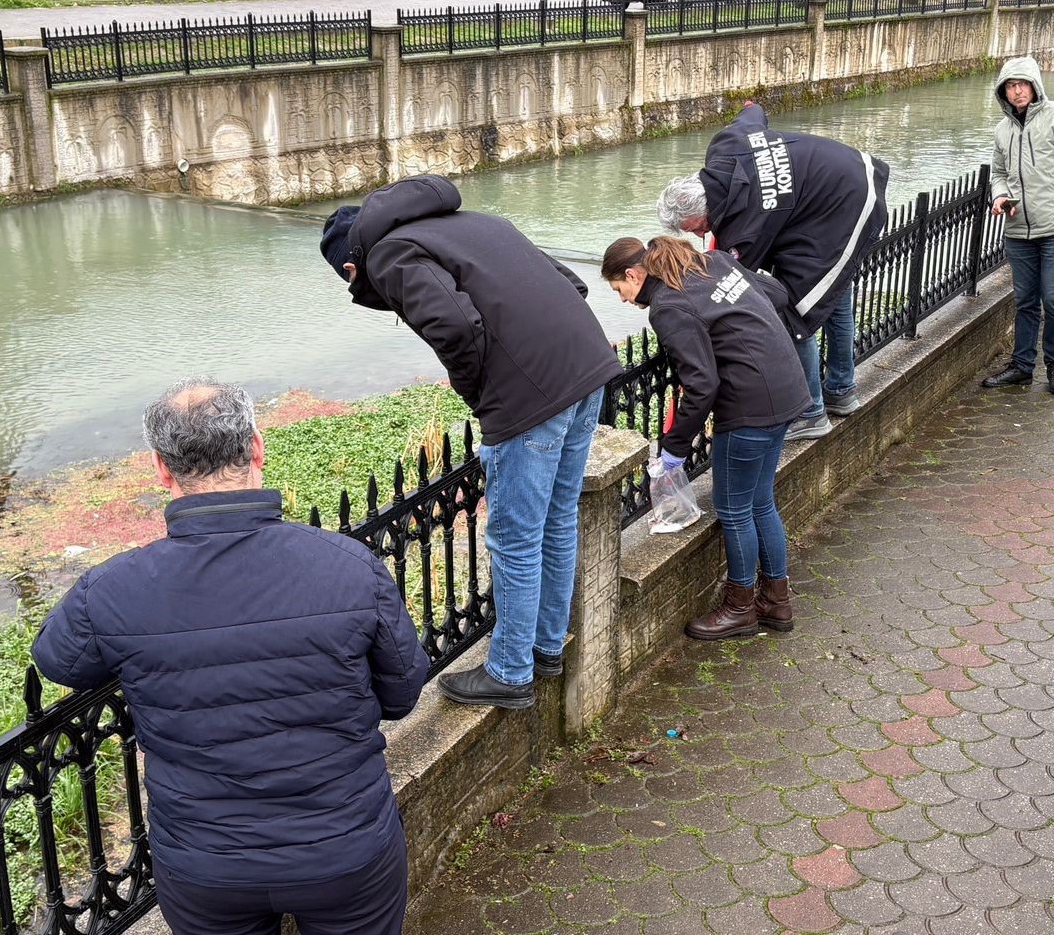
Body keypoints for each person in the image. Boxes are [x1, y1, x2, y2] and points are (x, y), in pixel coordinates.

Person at [31, 380, 429, 935]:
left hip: (205, 865)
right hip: (344, 847)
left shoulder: (114, 590)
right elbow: (403, 691)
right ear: (256, 449)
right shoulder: (347, 566)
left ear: (162, 471)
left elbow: (56, 659)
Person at [321, 174, 621, 709]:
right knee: (557, 518)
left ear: (352, 265)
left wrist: (483, 392)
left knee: (515, 537)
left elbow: (455, 326)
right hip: (588, 367)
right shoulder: (477, 224)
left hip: (531, 397)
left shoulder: (389, 255)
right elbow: (570, 285)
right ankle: (546, 647)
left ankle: (510, 672)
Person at [603, 236, 812, 637]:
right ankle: (776, 602)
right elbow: (776, 294)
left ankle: (741, 608)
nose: (624, 300)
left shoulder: (669, 306)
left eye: (620, 290)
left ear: (633, 274)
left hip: (749, 407)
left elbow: (701, 385)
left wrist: (673, 451)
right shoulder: (710, 261)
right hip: (786, 389)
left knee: (734, 510)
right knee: (761, 502)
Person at [658, 101, 889, 441]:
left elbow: (736, 284)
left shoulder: (745, 229)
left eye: (698, 228)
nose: (699, 235)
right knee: (833, 289)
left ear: (705, 209)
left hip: (846, 204)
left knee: (796, 308)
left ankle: (812, 412)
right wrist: (753, 106)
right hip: (846, 174)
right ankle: (841, 390)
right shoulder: (725, 146)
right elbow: (753, 115)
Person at [980, 56, 1054, 397]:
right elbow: (998, 174)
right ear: (1004, 92)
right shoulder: (1002, 130)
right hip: (1018, 232)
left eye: (1022, 84)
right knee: (1025, 301)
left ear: (1034, 85)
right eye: (1011, 86)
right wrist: (1000, 197)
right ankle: (1022, 367)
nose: (1017, 91)